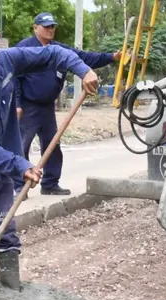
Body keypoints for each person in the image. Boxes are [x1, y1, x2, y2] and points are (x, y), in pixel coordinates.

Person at [0, 33, 100, 292]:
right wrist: (20, 165)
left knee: (5, 232)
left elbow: (53, 54)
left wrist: (83, 70)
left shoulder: (6, 62)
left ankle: (11, 291)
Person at [13, 11, 121, 195]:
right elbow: (14, 77)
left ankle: (50, 184)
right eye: (46, 26)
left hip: (47, 107)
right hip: (28, 107)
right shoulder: (24, 49)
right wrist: (17, 104)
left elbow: (85, 58)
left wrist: (111, 57)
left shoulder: (59, 50)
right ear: (35, 28)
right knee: (21, 146)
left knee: (53, 145)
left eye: (52, 27)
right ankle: (18, 187)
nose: (50, 30)